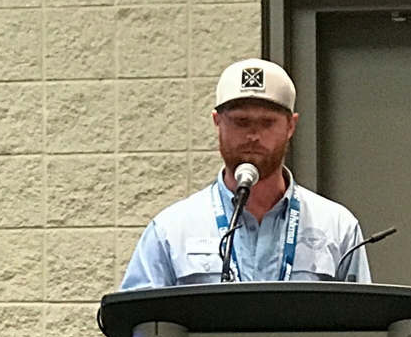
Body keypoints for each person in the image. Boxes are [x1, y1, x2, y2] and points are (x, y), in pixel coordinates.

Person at [118, 59, 372, 289]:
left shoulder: (337, 227)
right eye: (240, 122)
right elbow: (137, 322)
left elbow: (362, 320)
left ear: (291, 126)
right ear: (217, 121)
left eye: (267, 123)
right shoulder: (171, 229)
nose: (253, 135)